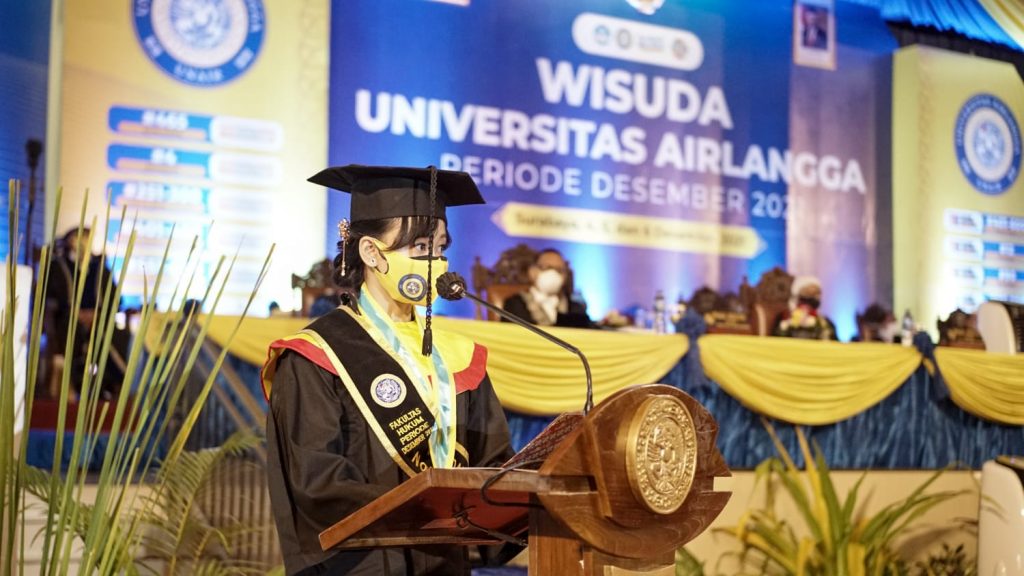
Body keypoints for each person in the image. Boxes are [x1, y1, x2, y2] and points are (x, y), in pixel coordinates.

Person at [263, 165, 515, 575]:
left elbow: (495, 465)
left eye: (440, 247)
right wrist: (426, 508)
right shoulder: (317, 355)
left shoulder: (459, 356)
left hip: (445, 563)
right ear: (371, 253)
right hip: (362, 563)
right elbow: (317, 482)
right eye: (420, 247)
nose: (435, 262)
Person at [43, 227, 124, 398]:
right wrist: (76, 313)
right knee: (70, 332)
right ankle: (74, 383)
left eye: (88, 239)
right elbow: (50, 298)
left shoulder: (100, 268)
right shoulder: (58, 265)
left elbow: (115, 299)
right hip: (68, 318)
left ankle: (109, 384)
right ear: (70, 242)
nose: (84, 244)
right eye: (79, 239)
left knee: (111, 335)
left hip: (98, 318)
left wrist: (97, 314)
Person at [501, 249, 591, 328]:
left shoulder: (576, 309)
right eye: (547, 268)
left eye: (559, 270)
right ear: (532, 271)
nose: (553, 273)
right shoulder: (514, 305)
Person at [772, 275, 837, 340]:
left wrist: (816, 326)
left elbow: (832, 341)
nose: (810, 300)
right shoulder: (784, 322)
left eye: (815, 295)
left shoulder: (825, 324)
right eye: (806, 294)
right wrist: (788, 325)